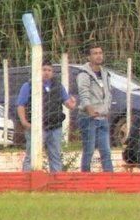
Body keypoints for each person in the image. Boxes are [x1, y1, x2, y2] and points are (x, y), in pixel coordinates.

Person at [17, 59, 76, 172]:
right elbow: (21, 105)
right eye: (44, 69)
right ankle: (26, 182)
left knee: (55, 156)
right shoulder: (29, 85)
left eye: (49, 70)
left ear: (52, 72)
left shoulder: (58, 86)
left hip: (55, 127)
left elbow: (67, 103)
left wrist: (72, 104)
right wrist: (24, 122)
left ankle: (57, 183)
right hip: (36, 127)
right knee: (32, 156)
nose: (47, 72)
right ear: (38, 71)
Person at [76, 42, 113, 172]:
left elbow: (108, 93)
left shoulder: (105, 74)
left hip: (103, 118)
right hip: (88, 118)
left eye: (100, 53)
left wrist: (107, 109)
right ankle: (85, 177)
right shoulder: (84, 74)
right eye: (95, 53)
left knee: (106, 151)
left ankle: (110, 179)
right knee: (89, 150)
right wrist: (89, 109)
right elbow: (83, 93)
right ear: (89, 57)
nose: (98, 56)